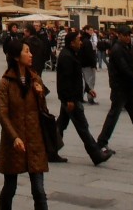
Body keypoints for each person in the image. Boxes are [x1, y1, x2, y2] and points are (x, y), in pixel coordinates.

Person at [0, 40, 49, 210]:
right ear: (16, 56)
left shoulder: (35, 78)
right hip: (14, 142)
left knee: (39, 191)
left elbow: (44, 112)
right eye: (27, 51)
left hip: (35, 139)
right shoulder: (5, 82)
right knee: (10, 189)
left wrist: (41, 95)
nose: (31, 54)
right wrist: (14, 137)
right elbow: (2, 113)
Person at [57, 31, 113, 166]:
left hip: (71, 97)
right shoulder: (66, 57)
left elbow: (78, 77)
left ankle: (50, 150)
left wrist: (87, 88)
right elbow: (65, 80)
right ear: (72, 42)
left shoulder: (71, 54)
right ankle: (96, 155)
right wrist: (68, 99)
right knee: (83, 127)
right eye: (78, 40)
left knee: (60, 125)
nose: (81, 42)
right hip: (72, 99)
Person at [96, 25, 133, 152]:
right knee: (114, 116)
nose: (128, 37)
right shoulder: (117, 50)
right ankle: (101, 141)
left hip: (129, 88)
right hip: (120, 88)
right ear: (119, 35)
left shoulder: (127, 48)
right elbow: (125, 70)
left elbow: (131, 68)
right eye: (125, 35)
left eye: (129, 35)